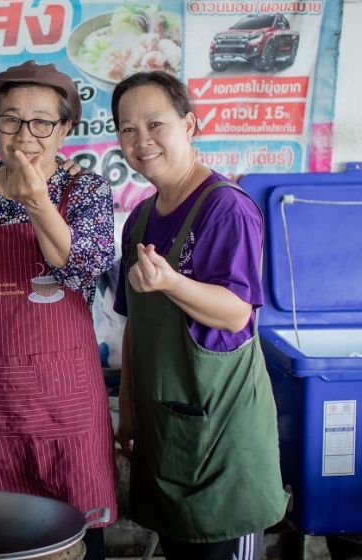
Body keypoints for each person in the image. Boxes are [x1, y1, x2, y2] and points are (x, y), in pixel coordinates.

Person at [0, 60, 118, 560]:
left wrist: (37, 201)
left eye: (42, 123)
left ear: (66, 129)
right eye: (11, 119)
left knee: (77, 543)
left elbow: (81, 269)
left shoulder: (87, 192)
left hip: (67, 411)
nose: (24, 136)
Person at [111, 71, 288, 560]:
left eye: (155, 124)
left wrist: (171, 282)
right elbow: (134, 325)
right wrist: (128, 409)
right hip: (166, 435)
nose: (142, 141)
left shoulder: (226, 208)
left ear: (189, 125)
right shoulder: (140, 220)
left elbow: (235, 314)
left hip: (223, 443)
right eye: (128, 129)